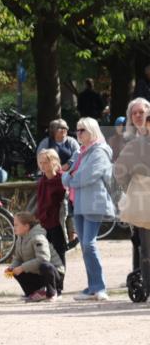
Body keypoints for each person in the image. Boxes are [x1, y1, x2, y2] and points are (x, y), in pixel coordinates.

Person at [62, 117, 115, 301]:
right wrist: (70, 176)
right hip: (79, 203)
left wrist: (70, 178)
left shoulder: (100, 151)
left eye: (82, 130)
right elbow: (66, 173)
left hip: (94, 202)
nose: (78, 133)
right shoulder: (80, 152)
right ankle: (93, 287)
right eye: (77, 130)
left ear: (92, 130)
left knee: (88, 244)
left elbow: (87, 176)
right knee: (85, 247)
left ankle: (100, 287)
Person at [114, 97, 150, 297]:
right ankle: (141, 279)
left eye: (141, 112)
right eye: (134, 113)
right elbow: (120, 169)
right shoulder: (127, 138)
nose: (138, 115)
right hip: (135, 195)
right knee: (137, 241)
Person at [6, 211, 65, 302]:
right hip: (38, 272)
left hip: (54, 273)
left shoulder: (38, 237)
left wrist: (22, 267)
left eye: (16, 225)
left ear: (26, 226)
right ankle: (33, 293)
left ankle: (53, 293)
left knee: (45, 266)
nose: (14, 228)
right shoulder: (20, 238)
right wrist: (12, 268)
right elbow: (18, 258)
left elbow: (43, 259)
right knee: (16, 270)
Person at [35, 149, 68, 287]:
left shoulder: (62, 179)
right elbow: (40, 203)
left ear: (53, 162)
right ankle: (48, 285)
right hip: (44, 222)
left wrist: (71, 228)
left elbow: (67, 205)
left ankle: (59, 285)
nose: (43, 166)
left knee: (59, 255)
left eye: (46, 162)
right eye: (40, 163)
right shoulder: (42, 181)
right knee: (44, 254)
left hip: (57, 222)